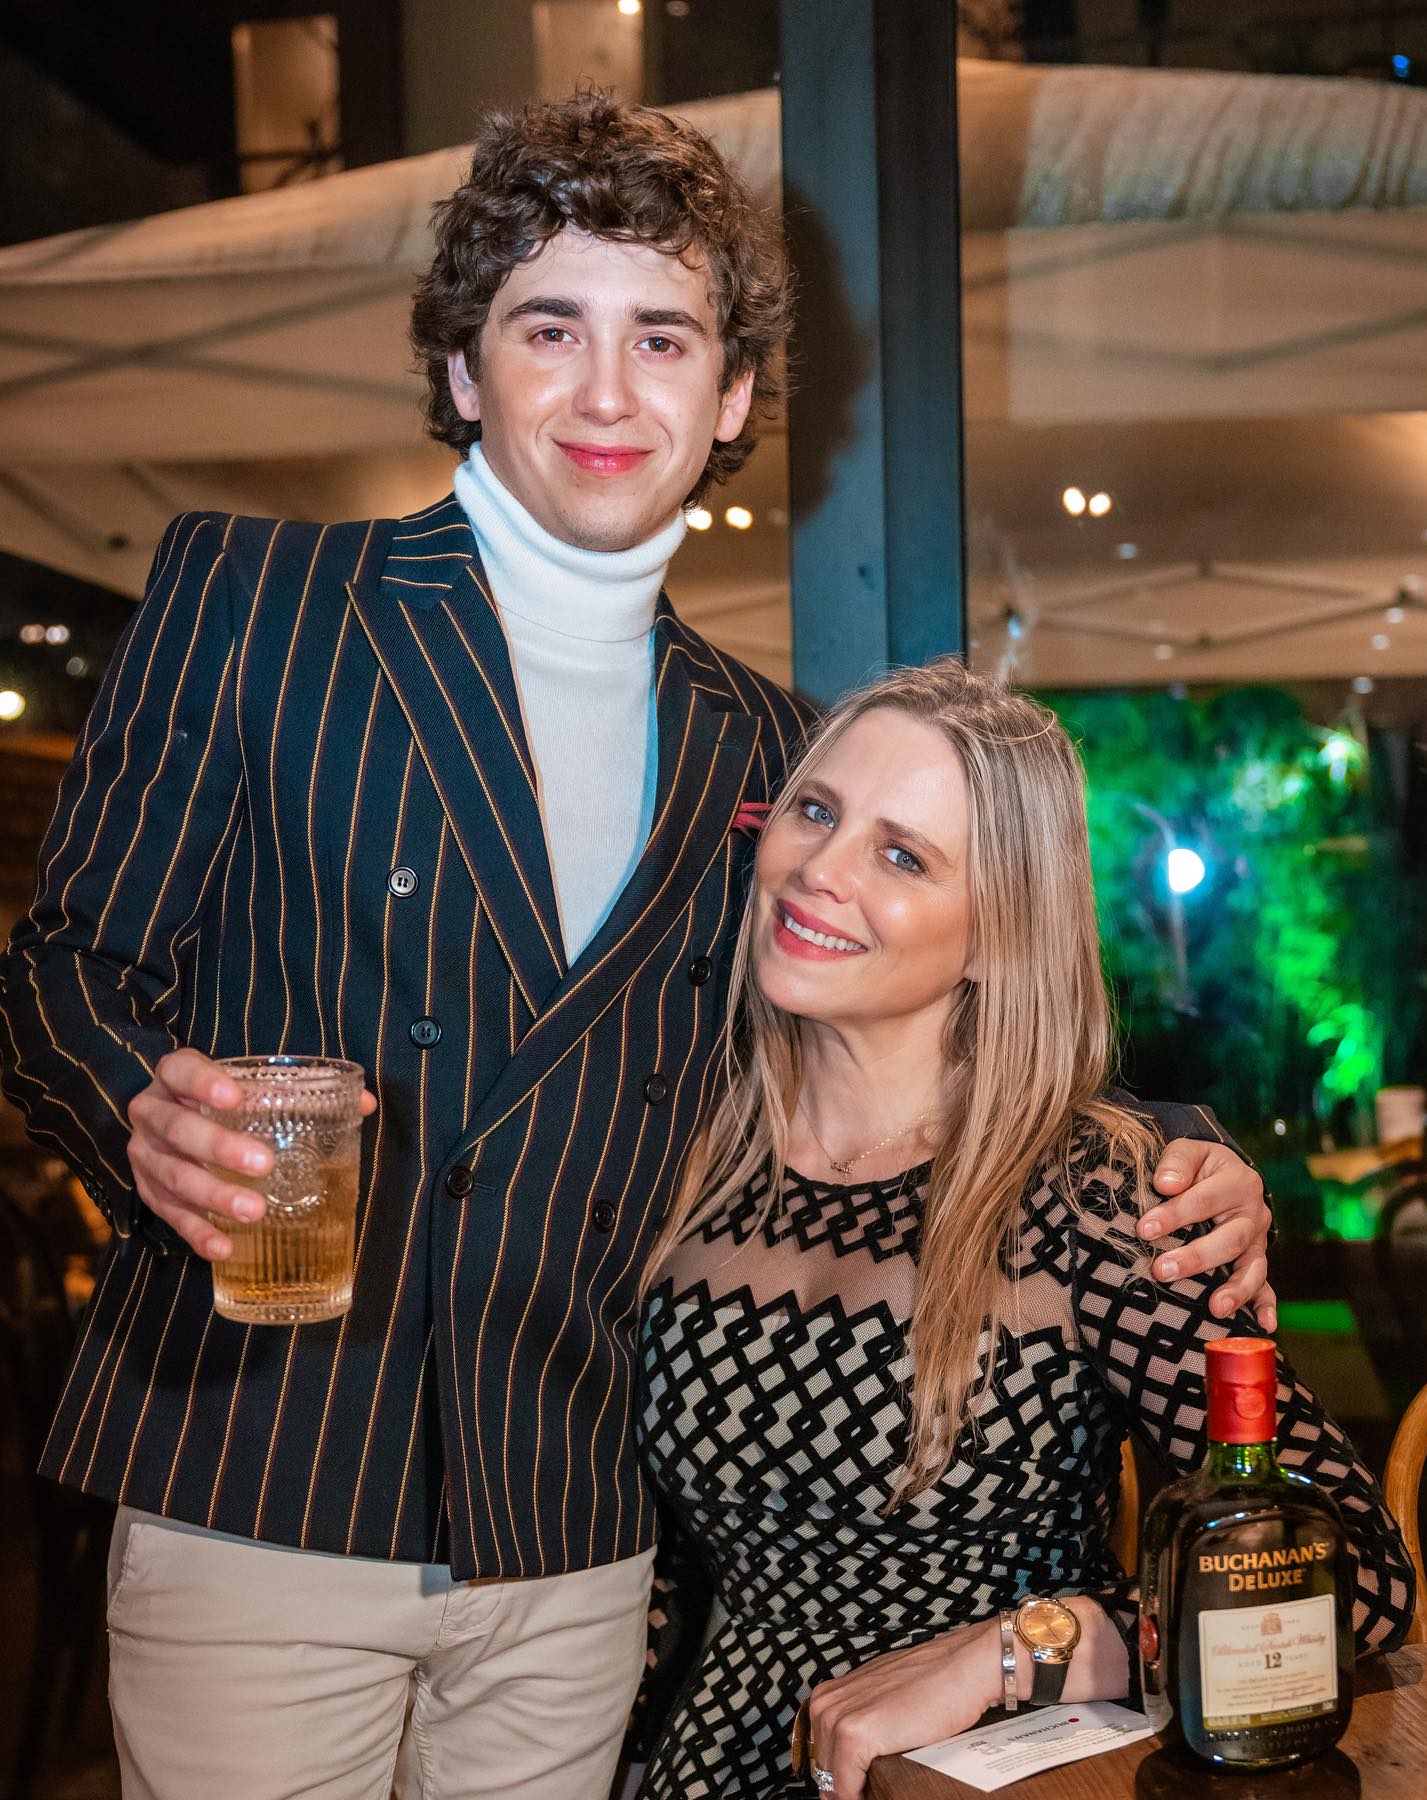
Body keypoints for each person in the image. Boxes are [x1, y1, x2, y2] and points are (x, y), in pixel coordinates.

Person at [0, 95, 1271, 1800]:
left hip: (580, 1527)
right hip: (266, 1477)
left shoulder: (771, 751)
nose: (610, 393)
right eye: (550, 327)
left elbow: (897, 1038)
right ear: (465, 372)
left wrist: (1178, 1159)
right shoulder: (260, 598)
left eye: (662, 337)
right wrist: (134, 1118)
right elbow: (62, 964)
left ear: (732, 396)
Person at [631, 661, 1414, 1800]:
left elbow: (1355, 1574)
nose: (819, 870)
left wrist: (1009, 1654)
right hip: (708, 1767)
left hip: (978, 1774)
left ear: (998, 934)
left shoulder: (1089, 1194)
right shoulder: (691, 1155)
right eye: (816, 810)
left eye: (903, 856)